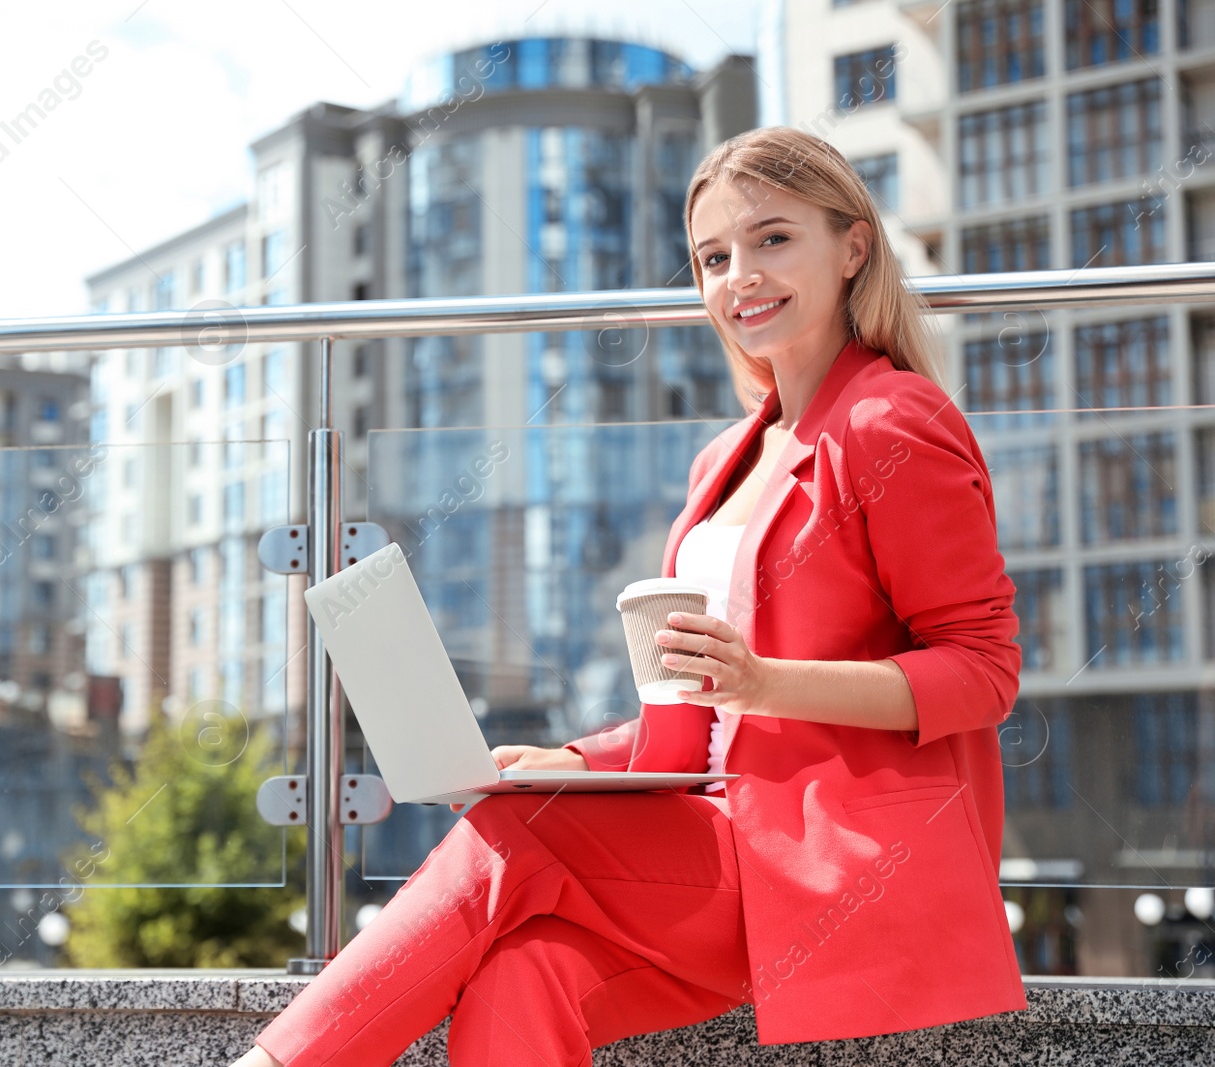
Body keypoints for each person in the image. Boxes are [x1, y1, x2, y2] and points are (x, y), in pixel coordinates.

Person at [231, 126, 1025, 1067]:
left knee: (508, 836)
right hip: (703, 852)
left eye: (774, 239)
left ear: (853, 247)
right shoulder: (722, 463)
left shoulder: (891, 420)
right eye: (714, 256)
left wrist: (766, 682)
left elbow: (982, 672)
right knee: (525, 970)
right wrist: (567, 761)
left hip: (821, 865)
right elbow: (693, 712)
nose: (741, 276)